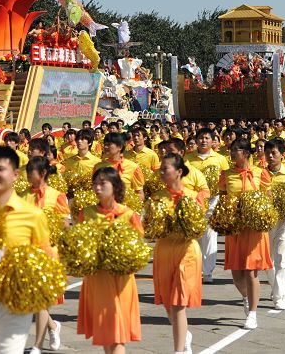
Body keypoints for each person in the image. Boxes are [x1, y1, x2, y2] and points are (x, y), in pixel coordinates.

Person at [0, 146, 53, 354]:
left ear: (15, 174)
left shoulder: (32, 215)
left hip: (16, 301)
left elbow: (46, 259)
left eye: (0, 169)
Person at [77, 167, 143, 353]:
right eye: (95, 183)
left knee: (117, 333)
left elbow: (138, 246)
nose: (97, 187)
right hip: (97, 278)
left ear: (115, 186)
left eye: (102, 183)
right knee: (105, 331)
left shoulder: (129, 214)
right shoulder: (86, 213)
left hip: (121, 279)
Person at [219, 137, 272, 330]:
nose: (232, 153)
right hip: (235, 228)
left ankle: (253, 313)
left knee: (251, 271)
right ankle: (246, 297)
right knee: (237, 275)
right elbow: (223, 200)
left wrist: (260, 213)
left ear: (246, 153)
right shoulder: (226, 174)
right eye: (231, 150)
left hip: (254, 229)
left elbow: (268, 198)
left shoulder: (260, 173)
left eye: (236, 150)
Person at [152, 153, 202, 354]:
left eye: (166, 168)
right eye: (161, 169)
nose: (162, 172)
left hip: (187, 251)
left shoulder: (192, 196)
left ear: (179, 171)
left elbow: (198, 227)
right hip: (164, 251)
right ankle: (184, 334)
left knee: (178, 302)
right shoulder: (157, 197)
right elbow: (151, 228)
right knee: (167, 302)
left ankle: (179, 350)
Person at [23, 156, 67, 353]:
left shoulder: (56, 195)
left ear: (42, 173)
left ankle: (37, 346)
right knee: (33, 301)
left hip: (49, 254)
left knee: (40, 300)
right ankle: (53, 326)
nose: (27, 175)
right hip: (27, 254)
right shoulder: (22, 195)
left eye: (31, 171)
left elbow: (65, 224)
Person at [184, 127, 230, 283]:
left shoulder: (220, 159)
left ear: (213, 141)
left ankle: (208, 272)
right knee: (194, 235)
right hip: (192, 201)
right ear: (196, 141)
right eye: (201, 138)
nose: (203, 141)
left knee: (210, 235)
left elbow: (225, 181)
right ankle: (195, 269)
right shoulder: (187, 159)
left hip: (213, 200)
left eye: (207, 138)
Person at [263, 139, 285, 310]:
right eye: (267, 152)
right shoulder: (259, 175)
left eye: (274, 152)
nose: (270, 156)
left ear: (283, 156)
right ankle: (276, 288)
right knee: (268, 260)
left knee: (282, 258)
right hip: (265, 222)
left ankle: (280, 295)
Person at [94, 132, 145, 204]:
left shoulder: (133, 167)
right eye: (105, 144)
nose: (105, 147)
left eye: (109, 145)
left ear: (120, 147)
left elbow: (140, 193)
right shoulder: (98, 166)